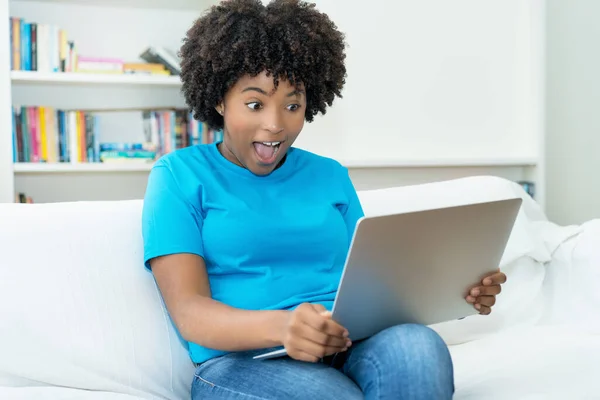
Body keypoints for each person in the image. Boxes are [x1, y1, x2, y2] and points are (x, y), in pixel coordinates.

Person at [141, 0, 507, 398]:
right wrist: (284, 327)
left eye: (293, 105)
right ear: (218, 100)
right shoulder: (178, 175)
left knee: (418, 349)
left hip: (348, 343)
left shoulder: (330, 175)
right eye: (255, 103)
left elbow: (375, 286)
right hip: (241, 363)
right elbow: (190, 312)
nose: (276, 124)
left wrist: (453, 291)